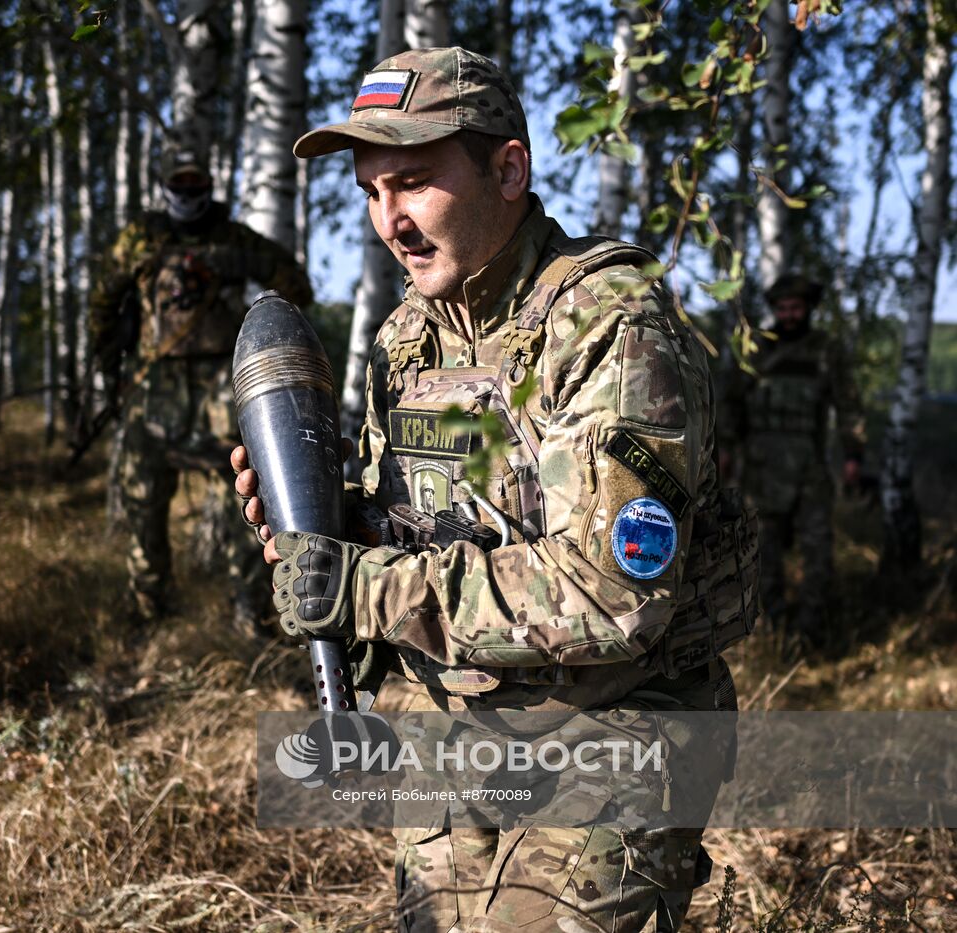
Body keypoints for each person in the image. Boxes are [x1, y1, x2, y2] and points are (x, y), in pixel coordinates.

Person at [233, 48, 758, 931]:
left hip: (618, 724)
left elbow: (613, 593)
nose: (388, 220)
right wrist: (326, 533)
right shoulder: (407, 341)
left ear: (508, 168)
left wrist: (363, 589)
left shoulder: (609, 324)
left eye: (411, 182)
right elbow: (416, 532)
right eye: (369, 192)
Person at [90, 146, 313, 633]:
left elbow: (297, 285)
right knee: (141, 495)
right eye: (180, 184)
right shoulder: (140, 237)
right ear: (165, 185)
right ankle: (150, 611)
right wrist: (107, 367)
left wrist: (233, 266)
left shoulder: (232, 237)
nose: (188, 195)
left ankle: (250, 609)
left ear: (208, 187)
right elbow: (102, 301)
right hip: (154, 384)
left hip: (220, 385)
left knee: (248, 496)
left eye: (196, 185)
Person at [720, 273, 865, 640]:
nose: (788, 315)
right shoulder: (757, 349)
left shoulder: (826, 350)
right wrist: (724, 449)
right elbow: (731, 404)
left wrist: (853, 456)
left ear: (808, 309)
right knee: (761, 553)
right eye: (782, 308)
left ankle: (811, 630)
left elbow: (848, 406)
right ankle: (771, 627)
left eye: (795, 308)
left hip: (809, 470)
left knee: (817, 550)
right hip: (760, 468)